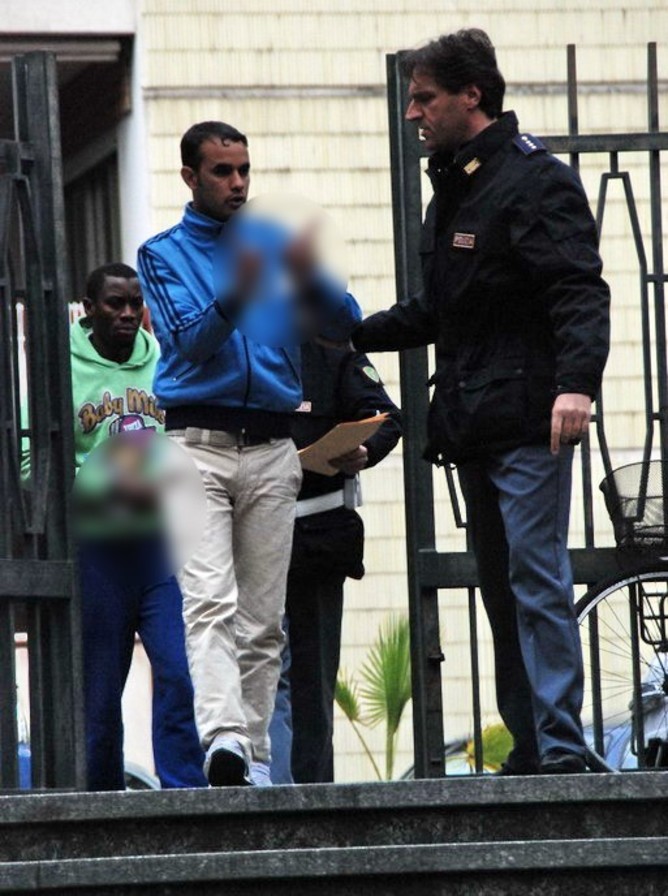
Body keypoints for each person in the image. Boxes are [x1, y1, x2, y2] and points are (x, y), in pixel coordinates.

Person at [330, 29, 610, 775]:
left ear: (471, 96)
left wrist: (577, 385)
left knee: (535, 578)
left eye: (424, 99)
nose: (412, 114)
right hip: (474, 423)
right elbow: (440, 310)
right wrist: (350, 332)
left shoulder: (533, 179)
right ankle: (531, 747)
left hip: (528, 419)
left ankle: (561, 751)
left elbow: (579, 289)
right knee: (502, 590)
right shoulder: (456, 187)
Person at [137, 122, 352, 786]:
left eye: (244, 170)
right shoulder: (162, 254)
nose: (237, 183)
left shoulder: (275, 244)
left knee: (264, 621)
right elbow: (189, 342)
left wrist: (309, 278)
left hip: (271, 445)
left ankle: (250, 758)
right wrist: (237, 291)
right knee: (209, 600)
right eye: (222, 171)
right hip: (194, 446)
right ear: (190, 177)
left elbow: (344, 325)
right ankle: (223, 737)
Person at [71, 262, 206, 790]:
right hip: (98, 545)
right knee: (101, 690)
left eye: (135, 303)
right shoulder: (65, 366)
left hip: (158, 544)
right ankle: (101, 803)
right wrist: (95, 483)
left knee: (177, 668)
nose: (128, 313)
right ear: (89, 309)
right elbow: (31, 454)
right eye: (115, 304)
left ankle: (184, 794)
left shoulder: (164, 362)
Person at [269, 341, 402, 784]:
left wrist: (364, 451)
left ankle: (311, 796)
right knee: (258, 676)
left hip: (316, 540)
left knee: (313, 681)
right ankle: (265, 791)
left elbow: (385, 417)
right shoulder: (241, 348)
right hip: (249, 537)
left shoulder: (330, 352)